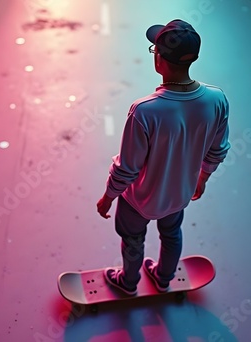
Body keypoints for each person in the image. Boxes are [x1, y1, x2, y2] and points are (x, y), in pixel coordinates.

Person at [96, 19, 230, 295]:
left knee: (133, 240)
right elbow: (217, 149)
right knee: (171, 234)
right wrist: (202, 177)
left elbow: (127, 168)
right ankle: (164, 277)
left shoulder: (145, 111)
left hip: (139, 199)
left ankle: (129, 283)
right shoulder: (216, 100)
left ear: (159, 59)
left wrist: (108, 196)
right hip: (179, 195)